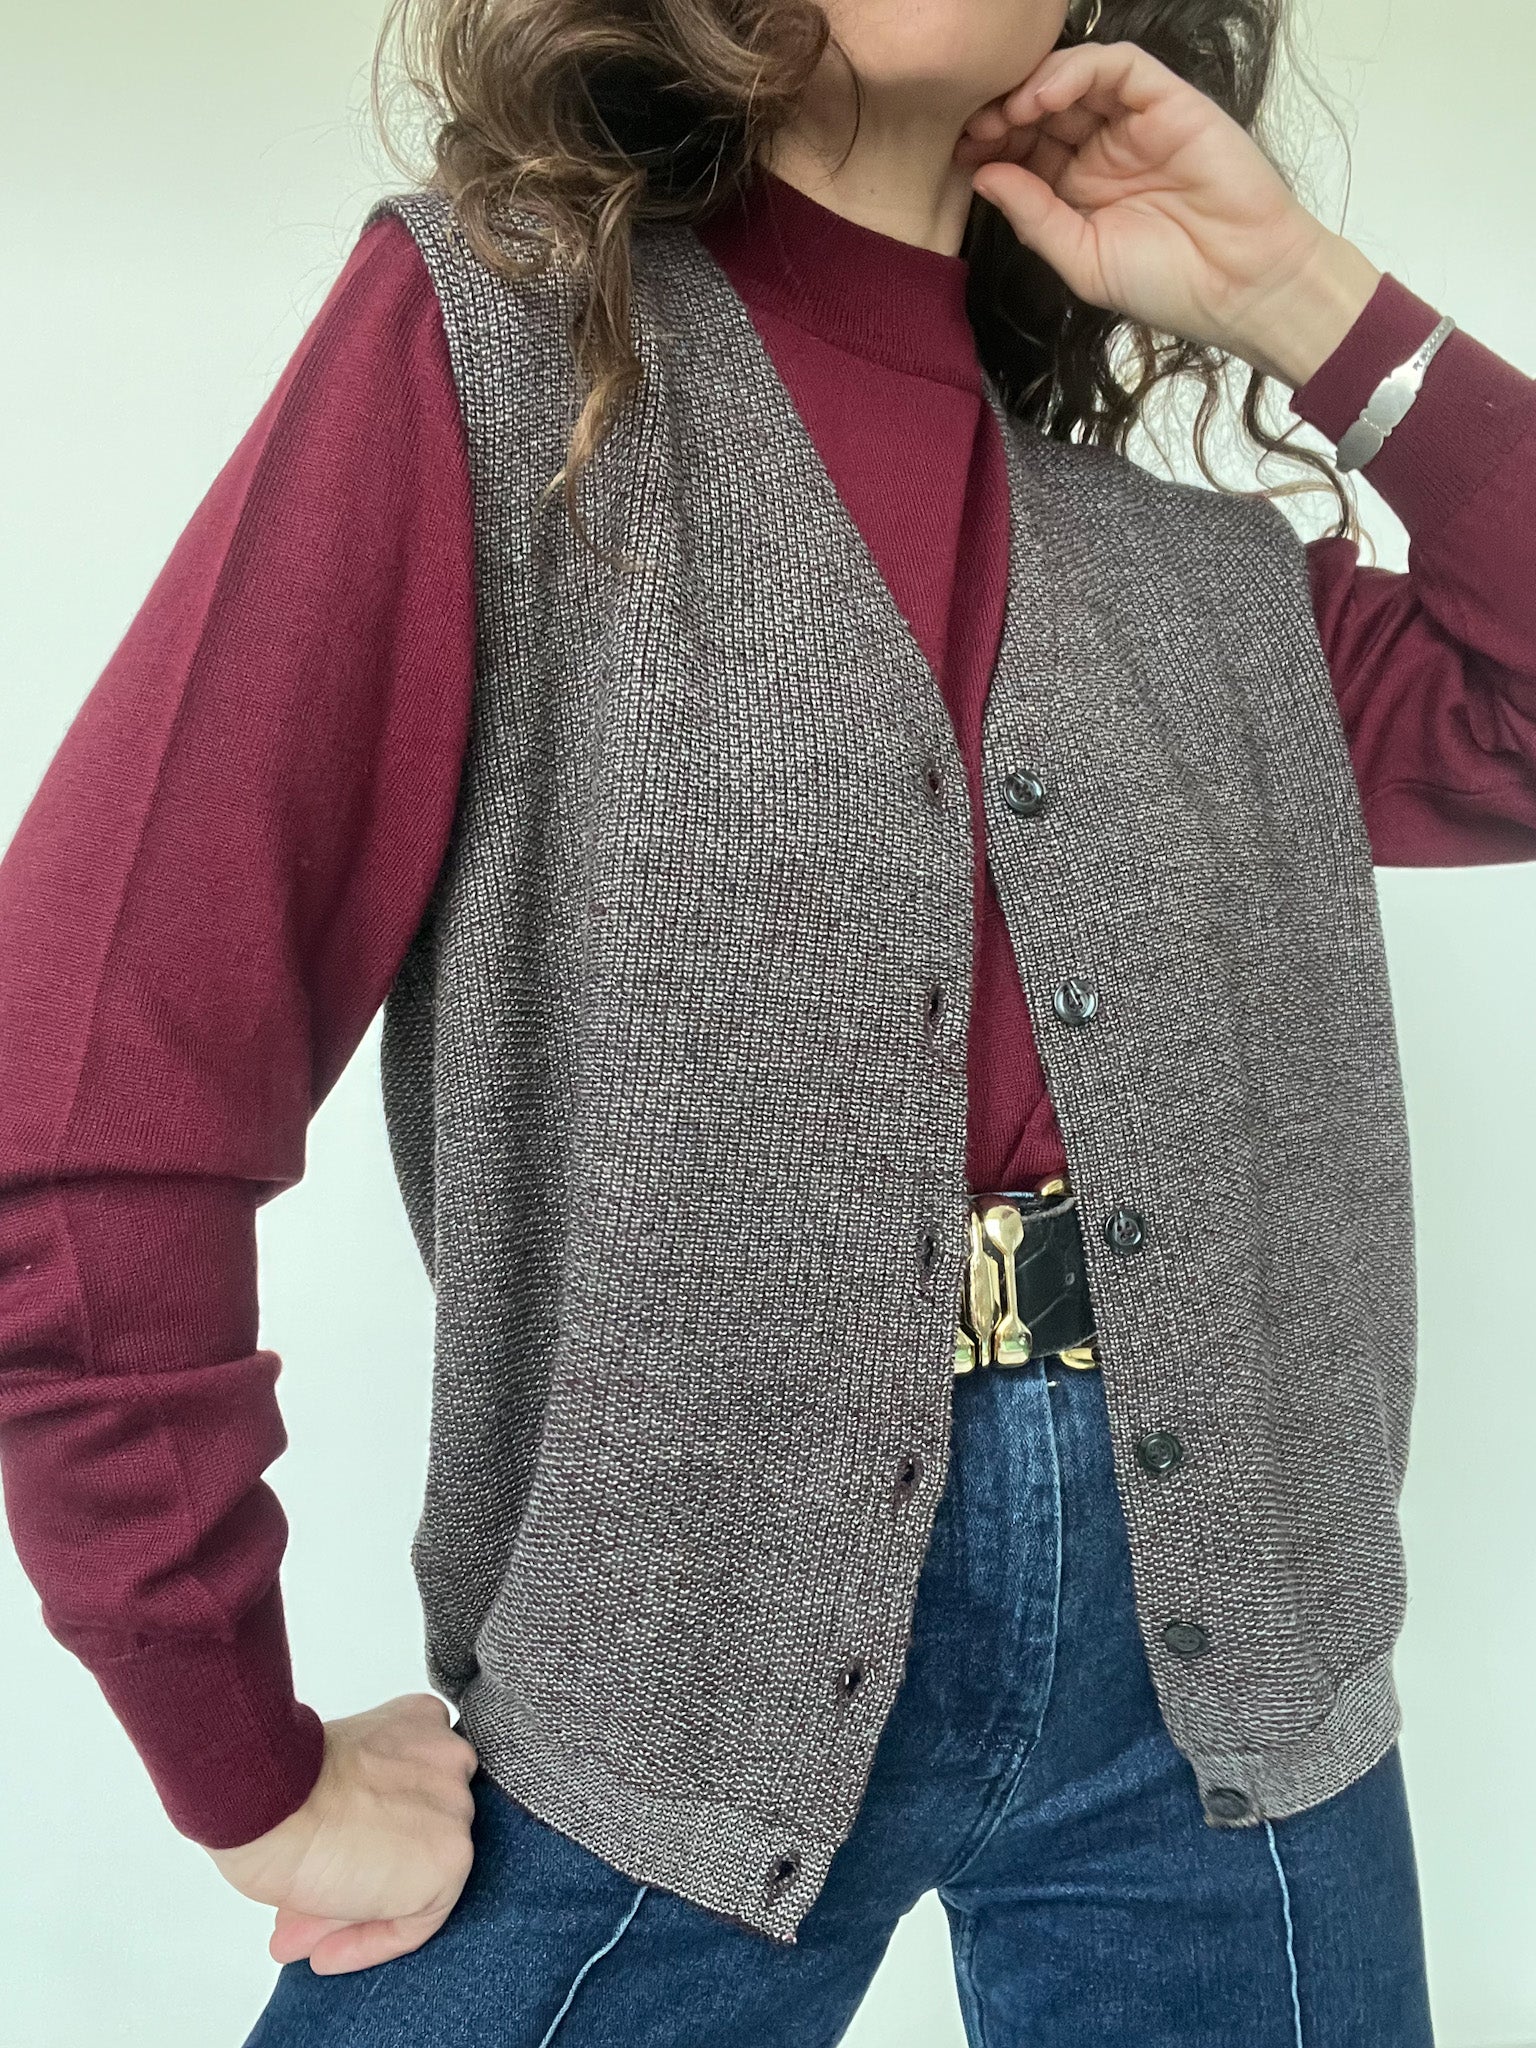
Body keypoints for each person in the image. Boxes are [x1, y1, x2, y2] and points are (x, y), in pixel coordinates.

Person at [2, 0, 1533, 2039]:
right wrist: (240, 1757)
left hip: (1240, 1666)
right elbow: (85, 1076)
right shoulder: (498, 359)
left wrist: (1302, 295)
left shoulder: (1196, 577)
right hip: (675, 1657)